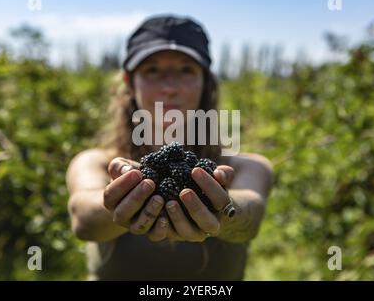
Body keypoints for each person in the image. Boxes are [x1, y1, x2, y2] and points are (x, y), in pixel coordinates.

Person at [66, 15, 273, 280]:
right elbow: (84, 219)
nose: (169, 87)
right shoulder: (95, 162)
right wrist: (123, 199)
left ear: (206, 82)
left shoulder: (247, 165)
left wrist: (224, 209)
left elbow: (251, 214)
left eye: (186, 70)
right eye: (152, 71)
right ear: (130, 82)